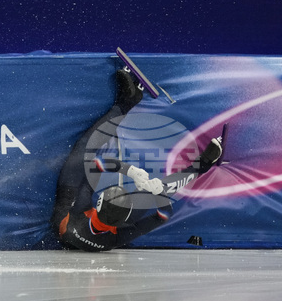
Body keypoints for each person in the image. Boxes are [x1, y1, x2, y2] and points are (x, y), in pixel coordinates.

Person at [51, 67, 224, 252]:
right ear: (125, 220)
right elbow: (163, 215)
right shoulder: (118, 235)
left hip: (68, 211)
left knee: (85, 149)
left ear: (97, 205)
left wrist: (130, 171)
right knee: (157, 189)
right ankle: (203, 166)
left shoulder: (82, 211)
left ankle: (125, 103)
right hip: (86, 228)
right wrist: (159, 193)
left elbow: (96, 165)